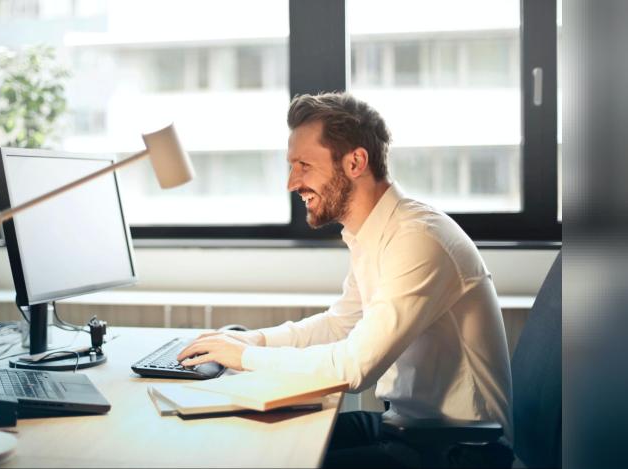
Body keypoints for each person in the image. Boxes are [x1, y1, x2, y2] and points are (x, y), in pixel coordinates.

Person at [177, 92, 513, 468]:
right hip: (406, 429)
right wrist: (254, 340)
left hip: (458, 451)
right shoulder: (374, 233)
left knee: (272, 459)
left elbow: (355, 368)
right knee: (253, 438)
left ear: (355, 162)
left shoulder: (418, 239)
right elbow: (341, 325)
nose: (291, 182)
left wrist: (245, 357)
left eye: (304, 165)